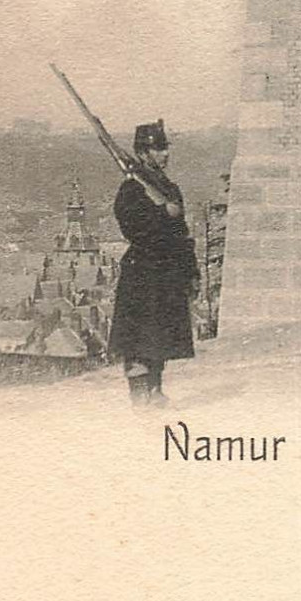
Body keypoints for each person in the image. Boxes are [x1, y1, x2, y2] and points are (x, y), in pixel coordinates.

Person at [109, 120, 199, 407]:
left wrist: (191, 270)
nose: (165, 154)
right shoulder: (132, 190)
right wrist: (163, 213)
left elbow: (181, 233)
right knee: (138, 340)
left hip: (168, 272)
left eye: (165, 148)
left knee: (161, 336)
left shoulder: (170, 188)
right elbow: (136, 229)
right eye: (158, 149)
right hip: (143, 272)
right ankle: (139, 397)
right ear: (144, 154)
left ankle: (156, 391)